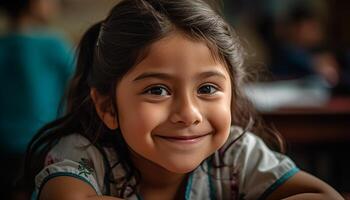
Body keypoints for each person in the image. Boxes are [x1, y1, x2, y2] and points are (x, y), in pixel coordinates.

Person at [23, 0, 344, 199]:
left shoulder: (236, 154)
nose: (188, 114)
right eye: (157, 90)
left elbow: (322, 195)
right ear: (108, 107)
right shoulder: (84, 153)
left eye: (207, 89)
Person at [0, 0, 74, 199]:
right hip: (45, 142)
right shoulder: (54, 45)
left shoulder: (4, 45)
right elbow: (77, 86)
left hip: (6, 147)